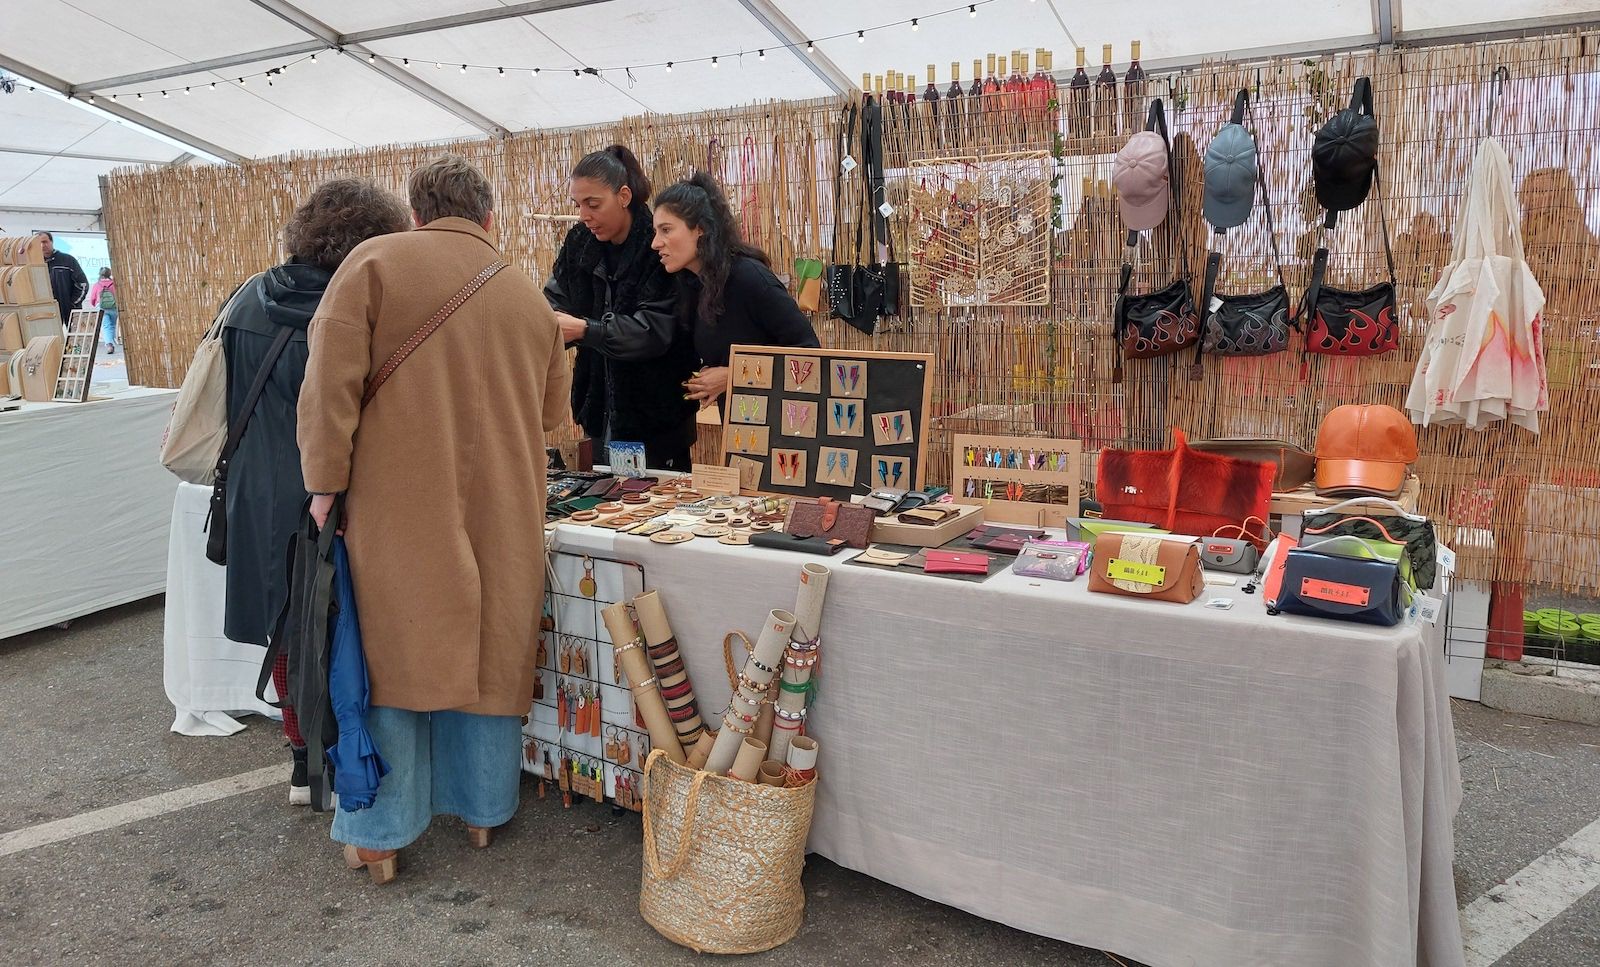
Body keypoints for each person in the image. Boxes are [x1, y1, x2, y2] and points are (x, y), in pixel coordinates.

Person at [297, 155, 570, 883]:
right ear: (489, 218)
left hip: (398, 502)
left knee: (390, 660)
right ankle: (483, 809)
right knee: (489, 650)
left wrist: (324, 486)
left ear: (417, 212)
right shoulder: (527, 297)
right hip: (507, 504)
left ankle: (382, 832)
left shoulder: (374, 263)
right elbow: (553, 419)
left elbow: (328, 387)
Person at [219, 179, 411, 806]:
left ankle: (302, 758)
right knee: (342, 627)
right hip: (330, 489)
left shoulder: (247, 297)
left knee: (286, 626)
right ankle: (343, 757)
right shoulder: (353, 307)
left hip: (256, 488)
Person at [544, 145, 698, 470]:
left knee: (657, 511)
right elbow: (552, 302)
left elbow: (653, 331)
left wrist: (587, 329)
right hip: (599, 413)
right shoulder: (578, 243)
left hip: (658, 418)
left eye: (593, 204)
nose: (584, 215)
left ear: (624, 196)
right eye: (578, 204)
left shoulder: (657, 244)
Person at [652, 172, 819, 407]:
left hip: (780, 427)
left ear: (699, 229)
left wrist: (733, 376)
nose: (655, 243)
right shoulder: (694, 284)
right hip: (740, 426)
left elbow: (810, 354)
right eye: (656, 232)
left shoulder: (750, 278)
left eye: (666, 230)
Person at [38, 232, 87, 326]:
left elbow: (83, 284)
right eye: (39, 243)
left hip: (70, 308)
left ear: (51, 242)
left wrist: (73, 303)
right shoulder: (36, 264)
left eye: (45, 242)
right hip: (48, 310)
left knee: (75, 338)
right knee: (53, 339)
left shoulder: (68, 260)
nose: (42, 245)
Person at [88, 268, 118, 354]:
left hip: (101, 308)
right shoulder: (114, 284)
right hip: (113, 307)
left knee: (106, 326)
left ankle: (109, 344)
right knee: (112, 325)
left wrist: (95, 304)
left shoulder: (97, 285)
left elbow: (93, 299)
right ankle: (111, 343)